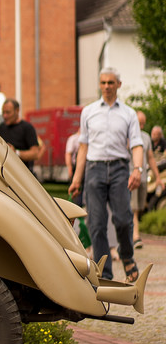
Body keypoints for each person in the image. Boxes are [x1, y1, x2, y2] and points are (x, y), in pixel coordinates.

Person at [68, 67, 144, 282]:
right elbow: (83, 147)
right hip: (94, 170)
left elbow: (137, 145)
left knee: (123, 219)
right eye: (103, 83)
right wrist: (76, 179)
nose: (107, 87)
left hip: (120, 169)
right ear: (99, 85)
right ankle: (105, 273)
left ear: (118, 85)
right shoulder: (89, 112)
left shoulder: (128, 114)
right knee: (97, 223)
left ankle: (127, 257)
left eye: (111, 83)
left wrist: (137, 169)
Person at [132, 110, 163, 248]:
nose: (142, 126)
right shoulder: (129, 136)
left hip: (143, 178)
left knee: (139, 208)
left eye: (143, 124)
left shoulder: (145, 137)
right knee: (133, 209)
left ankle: (131, 234)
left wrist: (158, 177)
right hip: (131, 178)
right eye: (139, 123)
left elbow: (150, 158)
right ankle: (135, 236)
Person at [0, 99, 41, 171]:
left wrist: (16, 153)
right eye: (3, 112)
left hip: (22, 175)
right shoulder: (1, 128)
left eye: (8, 112)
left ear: (17, 110)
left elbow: (35, 153)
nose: (5, 116)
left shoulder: (27, 128)